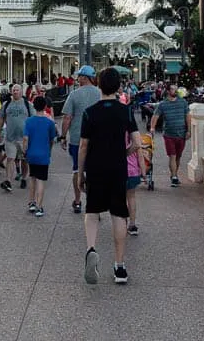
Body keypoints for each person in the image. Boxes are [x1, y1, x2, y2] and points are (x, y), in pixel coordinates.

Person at [79, 67, 140, 285]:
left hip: (95, 168)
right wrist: (122, 153)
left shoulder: (90, 112)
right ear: (118, 86)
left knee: (93, 211)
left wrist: (81, 173)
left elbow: (84, 145)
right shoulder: (126, 111)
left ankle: (91, 249)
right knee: (118, 213)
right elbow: (137, 143)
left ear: (99, 85)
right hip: (117, 168)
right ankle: (119, 265)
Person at [60, 65, 102, 214]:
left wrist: (63, 136)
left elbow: (67, 117)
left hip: (77, 138)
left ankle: (77, 201)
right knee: (94, 171)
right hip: (98, 139)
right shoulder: (101, 94)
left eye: (79, 76)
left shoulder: (74, 95)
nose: (78, 79)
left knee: (77, 170)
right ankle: (93, 203)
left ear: (85, 77)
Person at [149, 83, 191, 187]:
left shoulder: (183, 102)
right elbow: (155, 116)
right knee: (172, 155)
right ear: (168, 91)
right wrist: (152, 127)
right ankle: (174, 177)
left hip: (181, 133)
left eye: (176, 89)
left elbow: (188, 117)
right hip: (169, 134)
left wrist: (189, 130)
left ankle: (174, 175)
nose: (176, 91)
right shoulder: (163, 104)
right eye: (173, 89)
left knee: (178, 156)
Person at [23, 96, 57, 217]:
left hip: (31, 154)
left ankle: (31, 202)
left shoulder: (28, 121)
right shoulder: (49, 122)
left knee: (32, 177)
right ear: (45, 107)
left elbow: (25, 139)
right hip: (43, 154)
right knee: (41, 180)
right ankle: (39, 206)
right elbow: (52, 139)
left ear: (34, 106)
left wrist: (25, 151)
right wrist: (49, 150)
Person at [0, 84, 33, 193]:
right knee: (10, 159)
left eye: (17, 90)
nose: (15, 92)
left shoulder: (28, 104)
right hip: (10, 137)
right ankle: (8, 181)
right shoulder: (6, 104)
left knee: (24, 160)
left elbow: (33, 120)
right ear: (11, 92)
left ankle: (24, 178)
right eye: (13, 90)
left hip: (24, 138)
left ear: (21, 92)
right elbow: (1, 119)